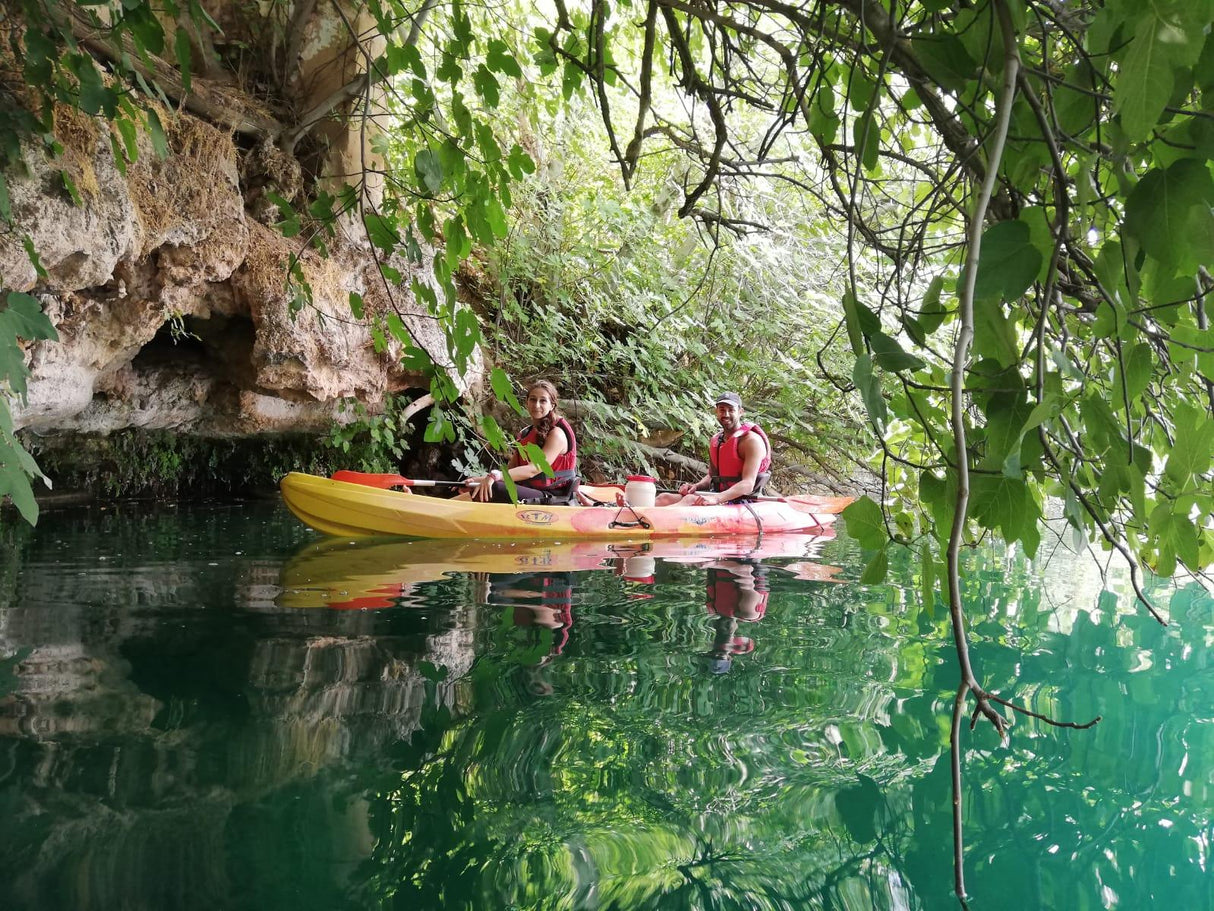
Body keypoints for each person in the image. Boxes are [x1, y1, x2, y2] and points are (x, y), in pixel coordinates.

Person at [465, 380, 579, 503]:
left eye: (543, 401)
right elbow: (511, 468)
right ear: (527, 402)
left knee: (495, 487)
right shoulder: (526, 433)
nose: (537, 405)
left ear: (552, 405)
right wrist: (479, 480)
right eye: (533, 399)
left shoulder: (557, 434)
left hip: (552, 495)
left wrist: (494, 476)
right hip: (530, 489)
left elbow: (533, 470)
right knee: (474, 485)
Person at [657, 391, 771, 506]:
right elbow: (712, 476)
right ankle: (642, 518)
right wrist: (696, 486)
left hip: (742, 500)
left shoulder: (751, 441)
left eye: (731, 410)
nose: (726, 414)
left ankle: (651, 521)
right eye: (722, 409)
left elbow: (748, 483)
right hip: (718, 495)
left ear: (740, 412)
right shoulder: (717, 440)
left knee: (690, 501)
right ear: (716, 411)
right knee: (664, 498)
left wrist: (716, 499)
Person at [704, 558, 770, 673]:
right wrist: (713, 563)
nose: (718, 647)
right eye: (720, 654)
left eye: (712, 652)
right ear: (730, 655)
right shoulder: (749, 613)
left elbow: (711, 572)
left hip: (720, 557)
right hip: (746, 556)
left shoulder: (713, 607)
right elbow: (746, 569)